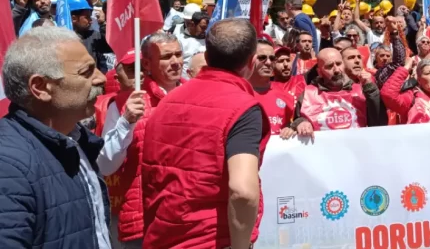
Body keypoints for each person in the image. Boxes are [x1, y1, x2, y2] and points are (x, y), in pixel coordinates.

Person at [141, 19, 266, 249]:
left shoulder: (166, 102)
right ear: (253, 61)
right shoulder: (242, 107)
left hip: (161, 236)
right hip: (212, 240)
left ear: (206, 57)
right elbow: (243, 191)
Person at [0, 27, 111, 248]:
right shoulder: (8, 166)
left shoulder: (75, 140)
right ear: (41, 87)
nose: (101, 78)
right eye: (86, 72)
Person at [96, 50, 148, 249]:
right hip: (121, 200)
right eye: (132, 69)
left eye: (143, 67)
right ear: (117, 79)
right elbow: (106, 162)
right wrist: (126, 121)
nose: (140, 73)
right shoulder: (112, 106)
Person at [282, 48, 386, 137]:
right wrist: (301, 123)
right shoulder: (307, 94)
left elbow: (379, 123)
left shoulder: (362, 90)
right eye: (329, 66)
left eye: (339, 64)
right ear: (319, 72)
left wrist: (371, 90)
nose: (336, 70)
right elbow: (295, 121)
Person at [250, 38, 294, 139]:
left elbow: (291, 126)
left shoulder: (286, 96)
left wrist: (291, 129)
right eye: (262, 58)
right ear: (250, 59)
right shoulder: (238, 93)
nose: (269, 62)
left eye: (272, 58)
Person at [70, 0, 113, 74]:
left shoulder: (94, 36)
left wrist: (103, 24)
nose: (91, 21)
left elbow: (111, 46)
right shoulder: (60, 39)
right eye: (87, 17)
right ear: (74, 19)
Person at [176, 10, 208, 78]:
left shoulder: (209, 40)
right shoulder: (180, 41)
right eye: (202, 27)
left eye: (206, 28)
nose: (205, 30)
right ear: (192, 24)